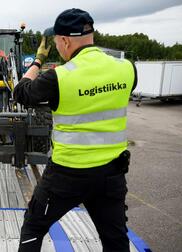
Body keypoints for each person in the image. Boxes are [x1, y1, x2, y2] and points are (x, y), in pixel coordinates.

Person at [14, 8, 137, 252]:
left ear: (64, 40)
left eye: (57, 43)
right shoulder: (127, 68)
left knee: (34, 228)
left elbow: (21, 92)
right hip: (111, 174)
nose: (58, 49)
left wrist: (38, 60)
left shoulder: (58, 78)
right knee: (115, 239)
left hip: (67, 175)